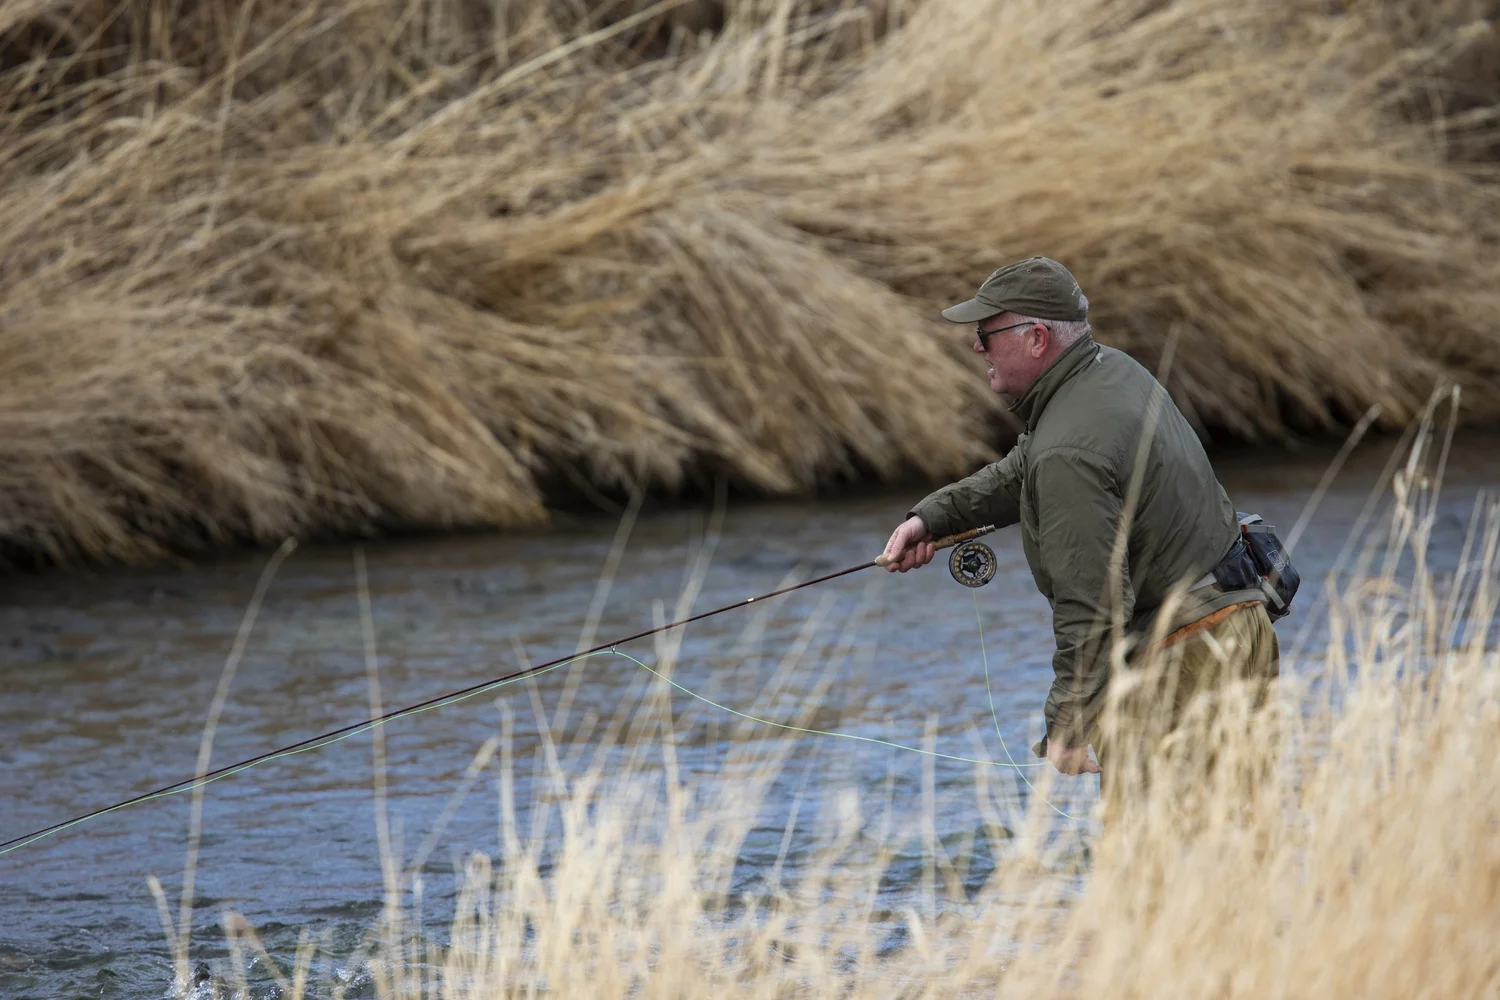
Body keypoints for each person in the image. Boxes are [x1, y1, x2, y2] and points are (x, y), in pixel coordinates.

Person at [881, 257, 1279, 785]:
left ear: (1037, 339)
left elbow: (1093, 607)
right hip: (1239, 624)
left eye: (985, 332)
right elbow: (1024, 467)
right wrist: (932, 518)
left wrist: (1067, 726)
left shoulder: (1069, 448)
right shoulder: (1109, 372)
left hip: (1184, 662)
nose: (977, 347)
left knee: (1154, 860)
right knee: (1238, 843)